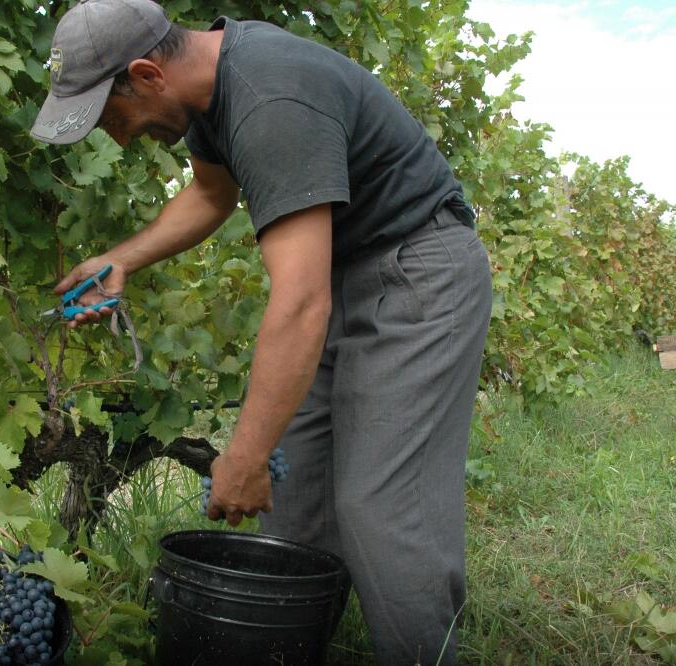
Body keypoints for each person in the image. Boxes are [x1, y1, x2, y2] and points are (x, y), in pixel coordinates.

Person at [30, 1, 492, 663]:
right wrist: (120, 260)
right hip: (348, 271)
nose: (119, 138)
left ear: (146, 75)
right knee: (294, 491)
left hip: (419, 272)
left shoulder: (269, 97)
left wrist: (243, 456)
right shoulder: (206, 90)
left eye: (111, 116)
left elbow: (300, 303)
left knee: (382, 511)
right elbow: (212, 195)